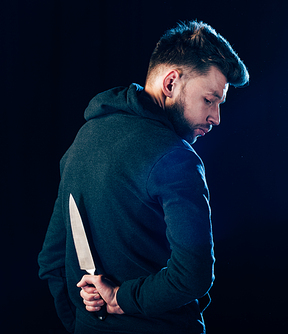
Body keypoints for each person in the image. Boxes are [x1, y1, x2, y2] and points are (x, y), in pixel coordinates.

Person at [38, 20, 249, 334]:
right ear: (171, 83)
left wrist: (83, 323)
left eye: (220, 103)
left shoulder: (83, 140)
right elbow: (192, 275)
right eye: (209, 100)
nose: (216, 118)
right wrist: (120, 299)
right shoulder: (177, 156)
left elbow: (52, 260)